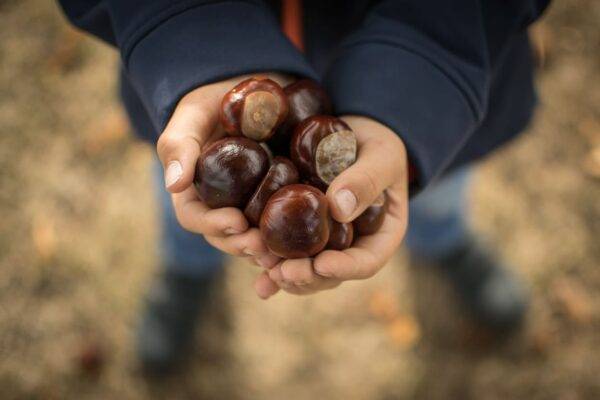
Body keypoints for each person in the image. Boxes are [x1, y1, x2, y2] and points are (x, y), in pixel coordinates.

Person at [58, 0, 551, 374]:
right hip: (197, 79)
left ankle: (446, 244)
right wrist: (196, 43)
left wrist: (417, 81)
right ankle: (187, 274)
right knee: (190, 194)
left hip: (430, 99)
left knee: (428, 185)